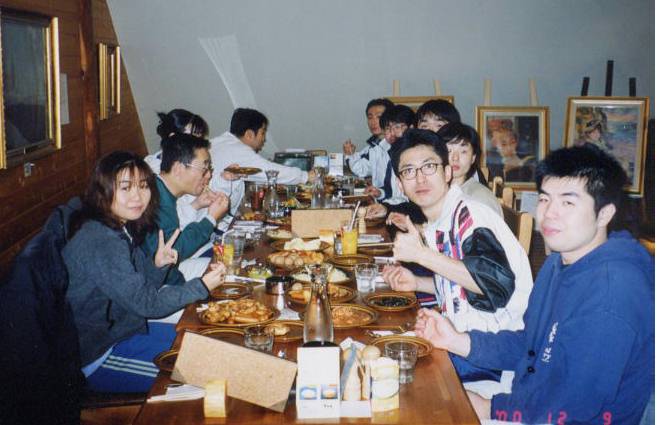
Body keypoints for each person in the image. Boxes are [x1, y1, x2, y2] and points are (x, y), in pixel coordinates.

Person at [415, 145, 654, 424]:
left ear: (604, 214)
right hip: (530, 396)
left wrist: (491, 408)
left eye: (568, 203)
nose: (550, 213)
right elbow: (530, 344)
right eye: (544, 199)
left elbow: (574, 404)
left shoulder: (613, 293)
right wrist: (456, 339)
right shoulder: (558, 262)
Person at [381, 129, 533, 398]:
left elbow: (494, 286)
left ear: (447, 172)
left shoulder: (470, 214)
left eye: (429, 166)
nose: (420, 178)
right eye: (409, 171)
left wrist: (421, 255)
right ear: (400, 184)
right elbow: (461, 286)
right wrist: (417, 282)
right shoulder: (442, 220)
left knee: (390, 377)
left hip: (495, 358)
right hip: (464, 342)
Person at [63, 151, 226, 392]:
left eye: (143, 186)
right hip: (103, 353)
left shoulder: (120, 226)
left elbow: (139, 289)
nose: (137, 196)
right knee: (209, 378)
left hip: (129, 327)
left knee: (212, 346)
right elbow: (147, 304)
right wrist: (201, 286)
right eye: (125, 188)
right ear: (103, 190)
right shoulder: (100, 239)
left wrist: (157, 265)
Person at [142, 133, 229, 288]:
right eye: (204, 169)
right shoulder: (155, 199)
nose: (209, 175)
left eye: (209, 169)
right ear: (178, 169)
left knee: (224, 264)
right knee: (225, 271)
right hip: (156, 284)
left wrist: (196, 205)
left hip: (166, 273)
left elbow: (170, 230)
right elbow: (173, 252)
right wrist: (210, 219)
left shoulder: (160, 189)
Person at [144, 109, 240, 229]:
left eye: (200, 138)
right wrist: (201, 211)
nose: (198, 144)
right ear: (173, 137)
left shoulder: (193, 162)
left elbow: (207, 193)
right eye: (194, 138)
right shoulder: (152, 174)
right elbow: (175, 227)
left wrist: (224, 178)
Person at [208, 108, 314, 214]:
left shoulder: (219, 142)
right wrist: (306, 176)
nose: (264, 139)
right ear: (249, 134)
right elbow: (269, 171)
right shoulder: (238, 150)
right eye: (262, 133)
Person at [438, 123, 502, 216]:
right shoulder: (434, 192)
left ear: (473, 158)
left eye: (463, 151)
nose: (455, 158)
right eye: (449, 151)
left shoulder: (480, 198)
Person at [359, 104, 415, 202]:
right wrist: (380, 193)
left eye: (397, 127)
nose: (392, 133)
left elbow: (408, 199)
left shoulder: (414, 156)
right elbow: (392, 189)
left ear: (411, 128)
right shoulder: (391, 152)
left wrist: (386, 206)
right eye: (388, 128)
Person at [344, 98, 395, 177]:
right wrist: (351, 154)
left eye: (379, 117)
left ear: (391, 119)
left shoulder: (394, 145)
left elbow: (361, 170)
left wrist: (350, 156)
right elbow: (361, 168)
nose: (373, 122)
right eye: (370, 117)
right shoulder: (374, 145)